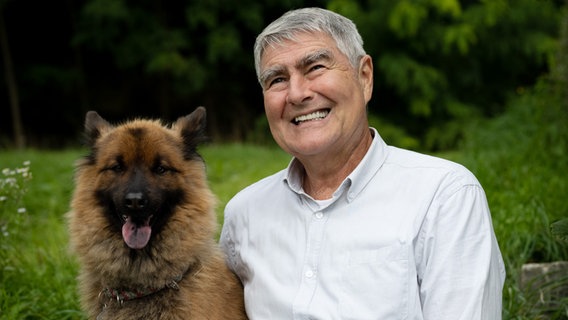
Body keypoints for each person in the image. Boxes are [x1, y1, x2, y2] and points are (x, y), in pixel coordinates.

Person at [220, 7, 506, 320]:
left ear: (364, 76)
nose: (297, 94)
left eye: (315, 67)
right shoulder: (243, 214)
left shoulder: (444, 196)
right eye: (277, 79)